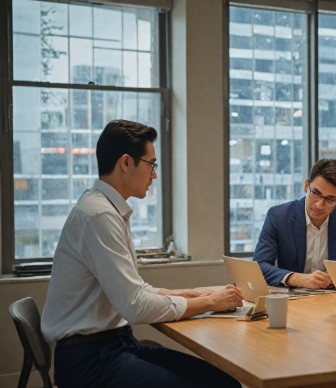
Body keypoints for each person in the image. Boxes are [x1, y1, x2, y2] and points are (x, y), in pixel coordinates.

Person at [42, 120, 243, 388]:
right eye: (151, 165)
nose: (154, 175)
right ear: (126, 163)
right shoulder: (99, 215)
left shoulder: (107, 209)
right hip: (90, 362)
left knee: (220, 380)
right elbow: (135, 306)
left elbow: (135, 290)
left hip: (112, 346)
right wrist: (211, 303)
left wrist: (195, 293)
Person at [253, 158, 336, 288]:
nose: (320, 205)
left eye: (330, 199)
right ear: (306, 186)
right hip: (291, 300)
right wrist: (298, 279)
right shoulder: (279, 216)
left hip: (332, 299)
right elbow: (259, 266)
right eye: (315, 193)